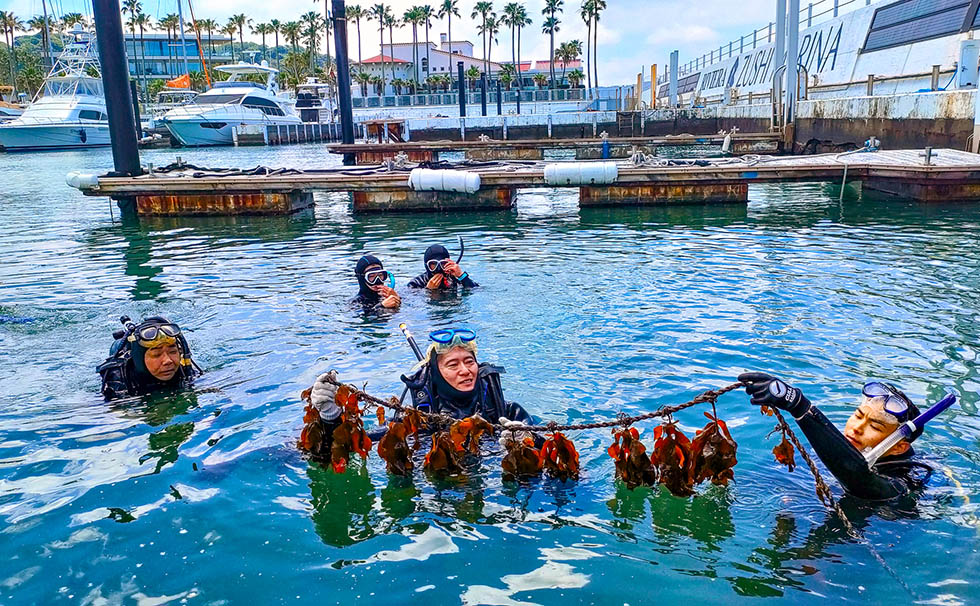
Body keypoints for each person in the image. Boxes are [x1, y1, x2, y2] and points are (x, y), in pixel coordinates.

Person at [306, 328, 535, 448]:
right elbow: (351, 446)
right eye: (452, 364)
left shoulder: (508, 413)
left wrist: (528, 442)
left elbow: (550, 458)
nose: (465, 370)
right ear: (435, 374)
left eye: (469, 361)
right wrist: (329, 416)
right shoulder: (415, 420)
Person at [739, 372, 933, 501]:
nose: (857, 428)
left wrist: (799, 406)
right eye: (858, 415)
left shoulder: (908, 480)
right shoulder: (829, 450)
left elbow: (859, 479)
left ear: (899, 447)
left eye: (874, 426)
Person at [97, 316, 201, 400]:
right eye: (156, 354)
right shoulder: (118, 382)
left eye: (173, 352)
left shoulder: (184, 369)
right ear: (139, 360)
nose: (168, 361)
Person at [407, 244, 477, 291]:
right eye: (433, 264)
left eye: (443, 263)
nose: (438, 268)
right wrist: (429, 290)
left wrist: (461, 276)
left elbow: (475, 290)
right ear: (427, 266)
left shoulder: (454, 279)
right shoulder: (416, 283)